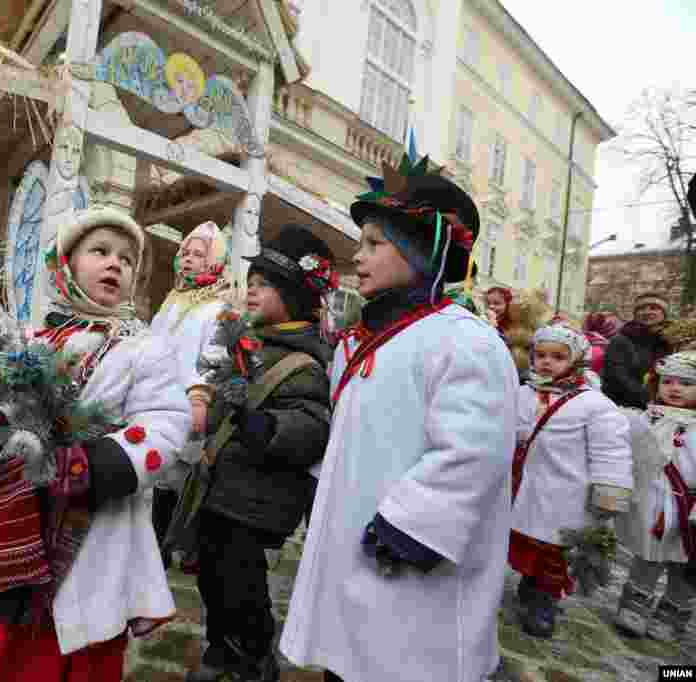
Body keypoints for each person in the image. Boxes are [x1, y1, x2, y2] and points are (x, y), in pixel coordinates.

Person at [280, 158, 518, 682]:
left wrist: (414, 524)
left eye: (373, 242)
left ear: (421, 249)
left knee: (401, 660)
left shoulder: (465, 340)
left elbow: (474, 452)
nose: (356, 255)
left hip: (409, 559)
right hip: (360, 556)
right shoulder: (382, 337)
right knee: (353, 657)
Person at [0, 207, 191, 682]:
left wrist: (88, 464)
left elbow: (165, 422)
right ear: (66, 265)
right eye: (100, 252)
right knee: (1, 622)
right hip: (16, 506)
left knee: (72, 621)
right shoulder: (35, 339)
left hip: (94, 517)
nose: (115, 264)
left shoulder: (145, 349)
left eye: (126, 259)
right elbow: (8, 404)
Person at [187, 225, 334, 682]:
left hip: (258, 498)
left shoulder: (305, 362)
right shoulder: (251, 343)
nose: (251, 292)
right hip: (223, 485)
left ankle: (252, 652)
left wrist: (264, 426)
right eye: (250, 283)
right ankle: (219, 645)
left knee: (243, 583)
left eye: (264, 285)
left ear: (291, 295)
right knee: (210, 573)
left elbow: (310, 426)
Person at [509, 325, 632, 638]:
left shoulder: (594, 404)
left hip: (567, 492)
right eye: (541, 356)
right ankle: (530, 583)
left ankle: (544, 601)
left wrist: (610, 491)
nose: (547, 363)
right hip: (525, 485)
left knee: (555, 551)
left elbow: (611, 451)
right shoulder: (522, 393)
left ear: (576, 360)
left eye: (558, 357)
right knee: (528, 542)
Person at [149, 221, 232, 565]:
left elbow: (214, 358)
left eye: (199, 254)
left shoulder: (218, 307)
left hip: (187, 408)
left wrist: (200, 400)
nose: (188, 259)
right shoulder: (172, 299)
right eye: (185, 252)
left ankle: (175, 552)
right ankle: (152, 554)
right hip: (154, 401)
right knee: (154, 483)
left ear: (214, 261)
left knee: (177, 483)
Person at [615, 351, 696, 643]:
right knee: (648, 556)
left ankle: (672, 613)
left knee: (685, 565)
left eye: (686, 383)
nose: (675, 388)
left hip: (689, 510)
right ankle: (635, 604)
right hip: (655, 504)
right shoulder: (647, 418)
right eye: (669, 381)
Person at [602, 293, 671, 409]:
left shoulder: (671, 340)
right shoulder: (621, 340)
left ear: (664, 313)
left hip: (666, 405)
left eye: (654, 308)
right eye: (641, 309)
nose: (647, 312)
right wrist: (649, 399)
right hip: (626, 406)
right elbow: (618, 377)